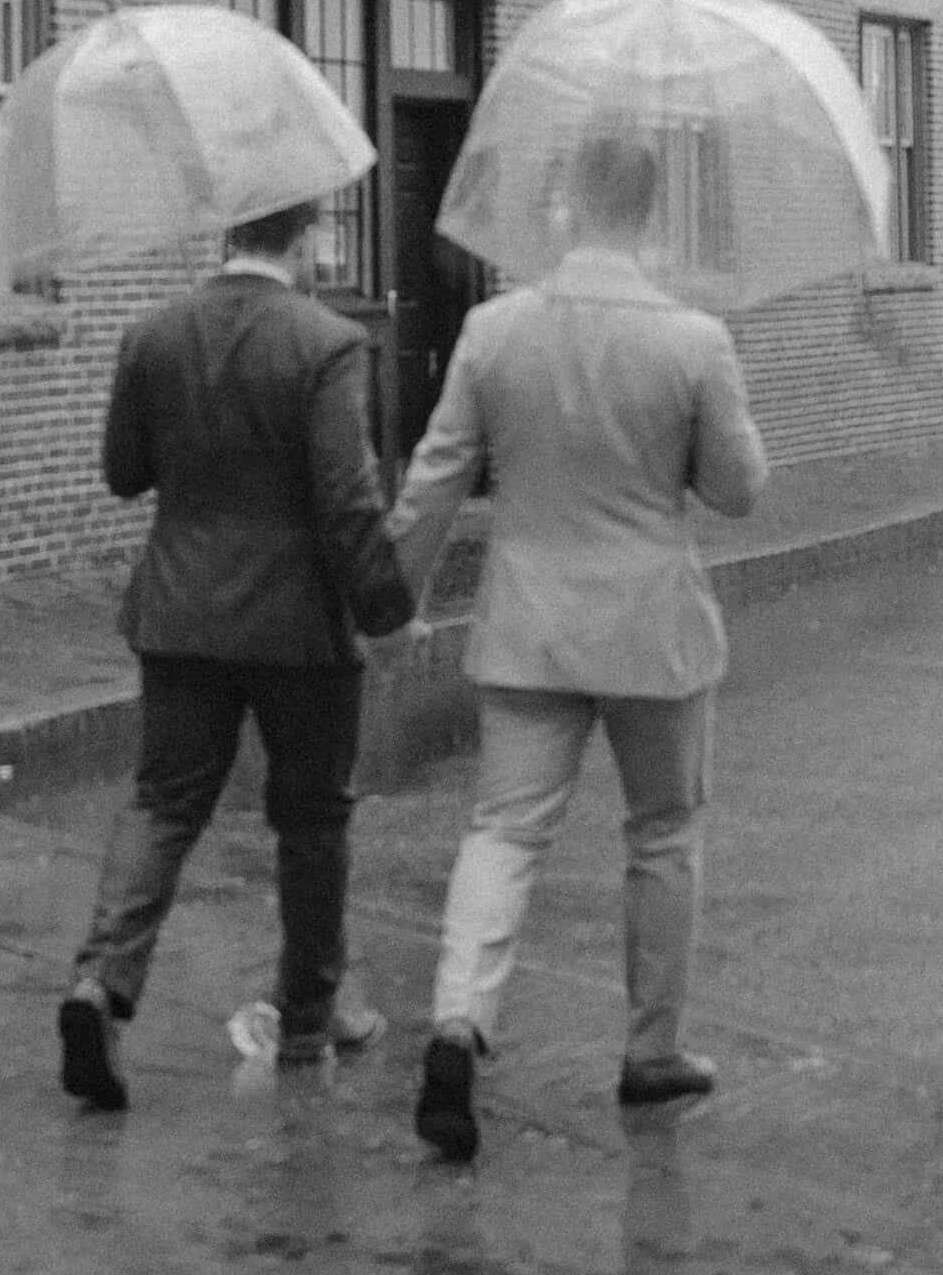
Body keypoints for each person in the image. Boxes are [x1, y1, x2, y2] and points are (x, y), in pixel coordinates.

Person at [387, 131, 770, 1163]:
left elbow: (435, 476)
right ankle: (652, 1048)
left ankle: (459, 1019)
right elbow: (738, 489)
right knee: (663, 832)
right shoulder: (692, 339)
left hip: (529, 624)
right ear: (647, 213)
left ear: (565, 204)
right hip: (653, 627)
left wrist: (393, 600)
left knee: (503, 829)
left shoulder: (492, 328)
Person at [58, 192, 415, 1111]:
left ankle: (101, 982)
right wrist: (387, 607)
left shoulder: (153, 335)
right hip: (297, 626)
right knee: (312, 817)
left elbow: (122, 473)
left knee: (165, 801)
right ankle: (308, 1018)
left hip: (179, 614)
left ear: (229, 234)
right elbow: (347, 500)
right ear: (303, 237)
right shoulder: (326, 344)